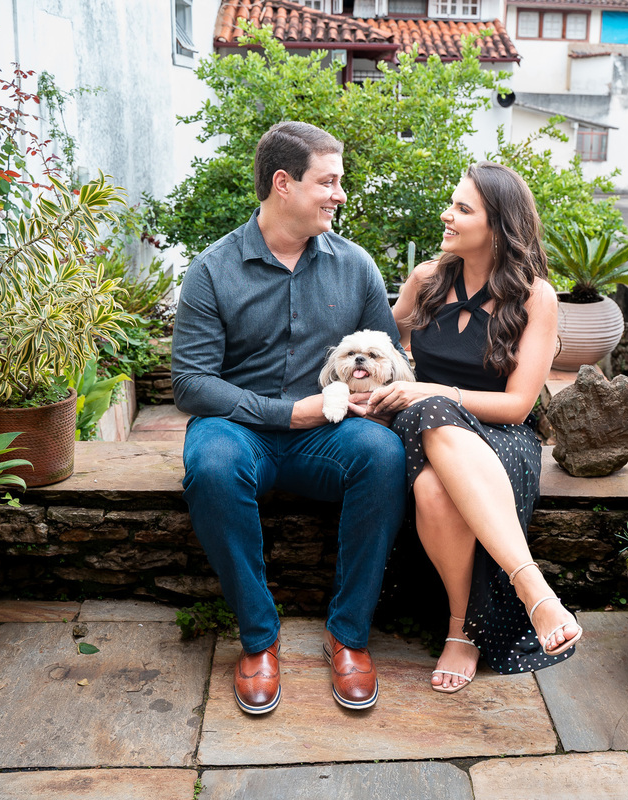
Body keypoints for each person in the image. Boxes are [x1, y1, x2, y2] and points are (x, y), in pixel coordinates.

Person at [172, 121, 406, 715]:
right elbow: (191, 383)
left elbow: (393, 360)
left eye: (339, 182)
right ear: (284, 183)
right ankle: (258, 638)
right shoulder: (212, 270)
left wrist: (368, 403)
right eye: (328, 182)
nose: (340, 194)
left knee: (382, 456)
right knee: (211, 463)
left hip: (325, 436)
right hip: (239, 429)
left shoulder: (356, 268)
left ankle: (349, 635)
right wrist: (285, 413)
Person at [367, 161, 582, 693]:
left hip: (502, 435)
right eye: (453, 203)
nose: (447, 215)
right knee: (429, 422)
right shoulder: (425, 282)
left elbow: (517, 406)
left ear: (499, 225)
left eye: (463, 208)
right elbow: (376, 344)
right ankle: (532, 593)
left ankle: (463, 630)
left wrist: (435, 391)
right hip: (422, 428)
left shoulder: (536, 297)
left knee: (437, 489)